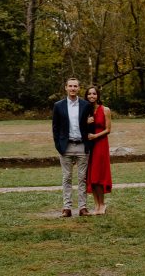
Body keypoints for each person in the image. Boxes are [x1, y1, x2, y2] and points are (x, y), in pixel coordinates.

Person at [52, 76, 92, 216]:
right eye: (70, 86)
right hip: (66, 146)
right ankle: (67, 208)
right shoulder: (58, 105)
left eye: (75, 86)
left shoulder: (86, 105)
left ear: (79, 88)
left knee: (83, 178)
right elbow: (55, 128)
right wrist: (59, 145)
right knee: (67, 177)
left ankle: (83, 207)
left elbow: (90, 124)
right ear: (66, 88)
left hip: (82, 146)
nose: (73, 88)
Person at [85, 84, 112, 214]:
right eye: (89, 94)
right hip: (89, 146)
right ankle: (96, 205)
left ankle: (102, 204)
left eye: (94, 94)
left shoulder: (105, 109)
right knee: (91, 176)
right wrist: (86, 123)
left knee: (99, 175)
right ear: (86, 96)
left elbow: (108, 130)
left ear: (98, 96)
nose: (92, 96)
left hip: (100, 144)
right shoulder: (85, 110)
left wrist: (95, 135)